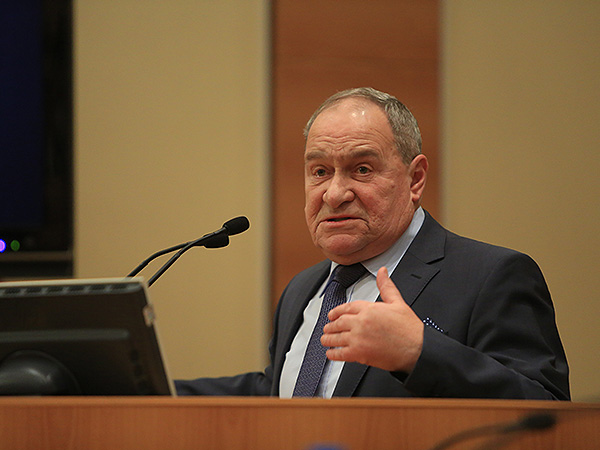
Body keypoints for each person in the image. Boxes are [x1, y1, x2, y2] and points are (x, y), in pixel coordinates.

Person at [175, 87, 570, 399]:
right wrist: (152, 388)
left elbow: (547, 411)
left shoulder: (490, 276)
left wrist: (419, 352)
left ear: (415, 179)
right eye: (319, 171)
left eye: (361, 169)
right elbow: (281, 392)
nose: (334, 194)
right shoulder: (303, 288)